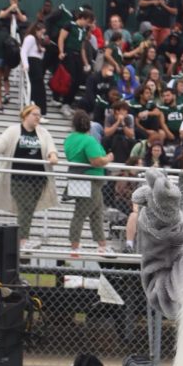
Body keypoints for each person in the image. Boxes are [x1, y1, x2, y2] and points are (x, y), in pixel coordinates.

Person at [0, 104, 59, 251]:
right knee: (26, 207)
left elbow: (50, 147)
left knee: (28, 209)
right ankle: (22, 240)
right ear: (25, 115)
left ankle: (22, 238)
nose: (38, 118)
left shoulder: (43, 132)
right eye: (35, 114)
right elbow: (0, 144)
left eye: (39, 115)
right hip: (19, 179)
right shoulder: (13, 131)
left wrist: (52, 155)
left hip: (38, 179)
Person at [63, 109, 115, 257]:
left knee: (97, 214)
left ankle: (102, 246)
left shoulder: (69, 139)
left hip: (76, 178)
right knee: (81, 214)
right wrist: (108, 158)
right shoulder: (89, 140)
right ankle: (75, 248)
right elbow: (96, 161)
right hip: (90, 180)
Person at [57, 6, 94, 118]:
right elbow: (61, 38)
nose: (87, 24)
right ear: (82, 18)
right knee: (71, 78)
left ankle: (68, 102)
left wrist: (86, 62)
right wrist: (61, 51)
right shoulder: (69, 25)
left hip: (78, 55)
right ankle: (64, 103)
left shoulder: (83, 30)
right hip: (69, 53)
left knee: (79, 79)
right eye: (87, 21)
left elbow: (82, 48)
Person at [20, 22, 48, 115]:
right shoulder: (30, 38)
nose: (42, 35)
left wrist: (43, 49)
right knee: (37, 87)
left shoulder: (38, 41)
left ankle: (40, 111)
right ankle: (37, 110)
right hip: (32, 63)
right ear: (36, 31)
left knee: (39, 88)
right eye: (41, 33)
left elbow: (40, 56)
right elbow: (23, 51)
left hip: (38, 63)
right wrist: (25, 64)